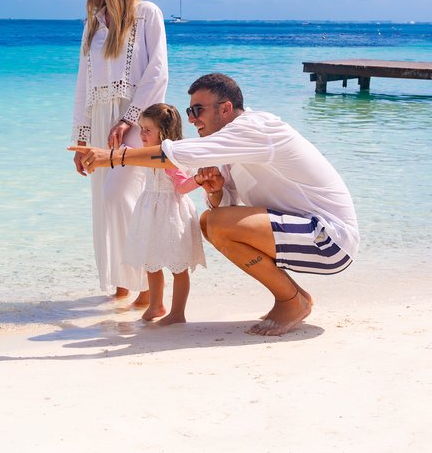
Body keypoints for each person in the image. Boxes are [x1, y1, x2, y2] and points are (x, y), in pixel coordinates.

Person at [71, 73, 357, 336]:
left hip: (329, 239)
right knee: (211, 221)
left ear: (226, 109)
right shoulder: (233, 146)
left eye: (198, 110)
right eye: (189, 111)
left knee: (217, 223)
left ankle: (291, 301)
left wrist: (112, 157)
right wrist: (218, 192)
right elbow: (227, 206)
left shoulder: (257, 128)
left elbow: (179, 154)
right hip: (303, 234)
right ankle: (295, 298)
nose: (193, 119)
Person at [70, 0, 169, 303]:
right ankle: (122, 283)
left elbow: (158, 73)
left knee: (122, 199)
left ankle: (146, 284)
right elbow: (84, 85)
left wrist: (130, 119)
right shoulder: (93, 23)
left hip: (135, 120)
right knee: (104, 203)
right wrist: (81, 140)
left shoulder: (147, 15)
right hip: (99, 122)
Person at [125, 104, 206, 325]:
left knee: (178, 267)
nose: (141, 134)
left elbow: (181, 186)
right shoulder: (149, 155)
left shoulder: (170, 158)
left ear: (164, 132)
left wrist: (198, 180)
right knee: (151, 262)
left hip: (171, 215)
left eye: (147, 130)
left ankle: (178, 312)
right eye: (141, 128)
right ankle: (156, 305)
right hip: (152, 213)